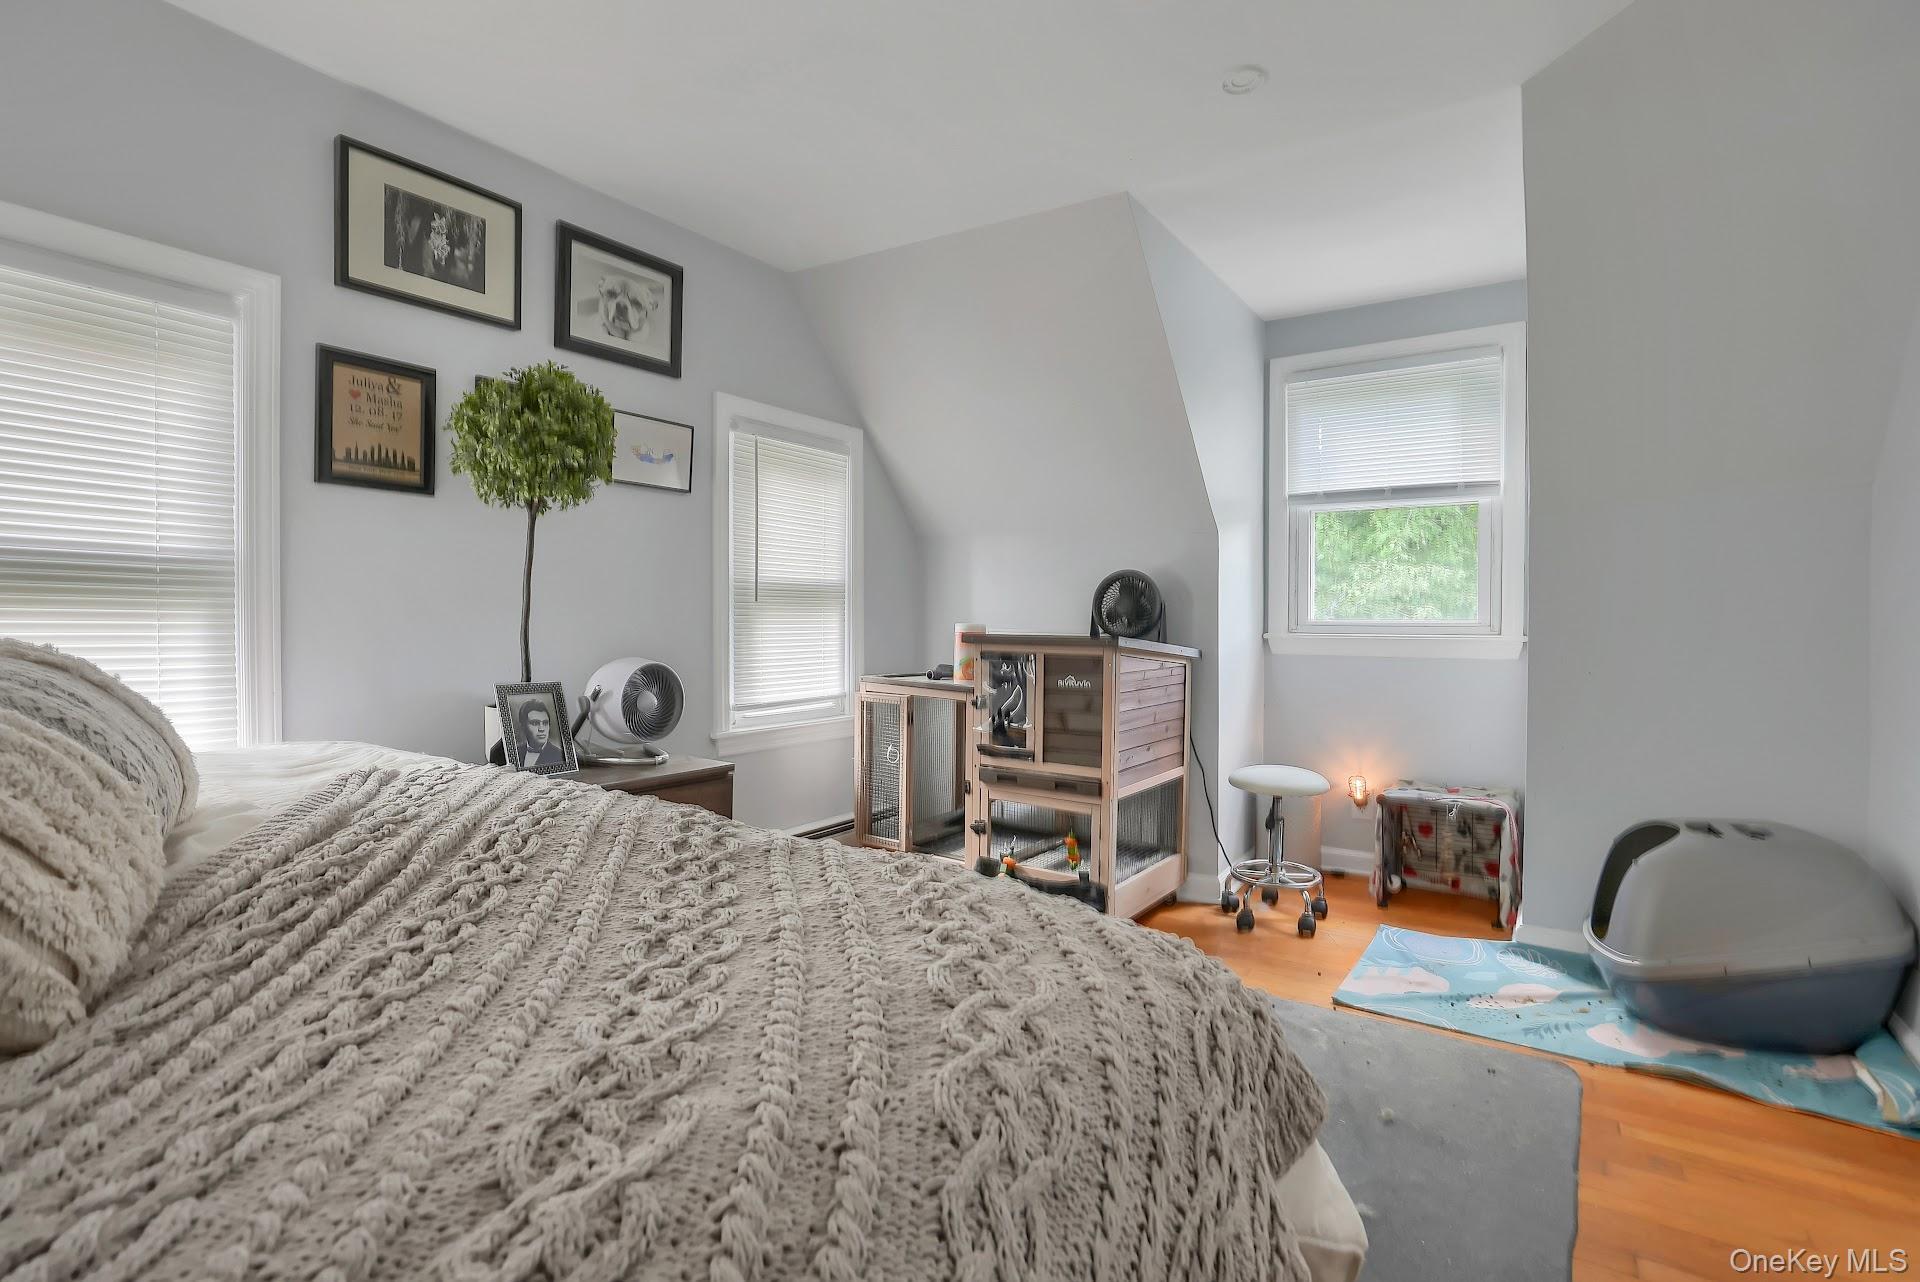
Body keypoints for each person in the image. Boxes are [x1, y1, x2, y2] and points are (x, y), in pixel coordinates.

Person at [515, 699, 566, 769]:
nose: (542, 729)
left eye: (545, 723)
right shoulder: (515, 752)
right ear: (523, 726)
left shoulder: (561, 755)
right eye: (535, 723)